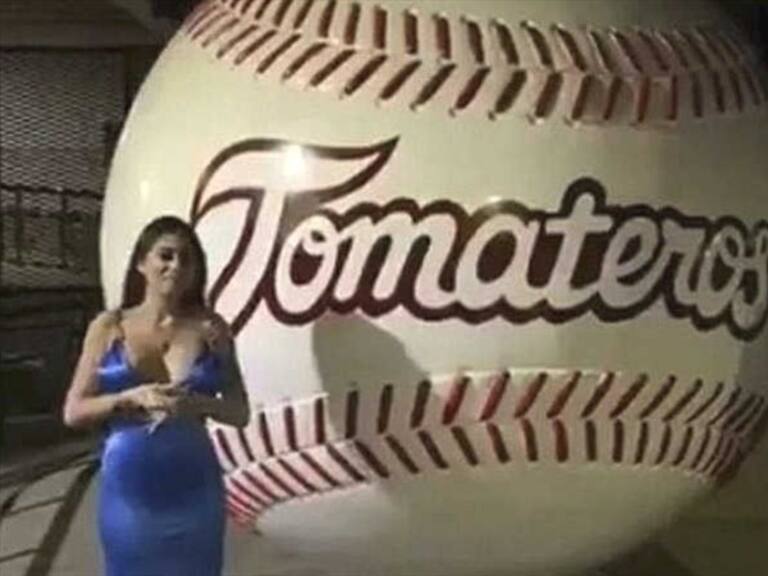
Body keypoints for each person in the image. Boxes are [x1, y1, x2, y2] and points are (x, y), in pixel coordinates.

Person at [63, 215, 250, 576]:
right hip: (130, 491)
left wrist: (197, 403)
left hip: (195, 488)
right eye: (166, 255)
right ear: (141, 263)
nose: (176, 266)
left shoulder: (212, 329)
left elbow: (239, 412)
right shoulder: (108, 327)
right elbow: (73, 410)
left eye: (187, 259)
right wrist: (130, 398)